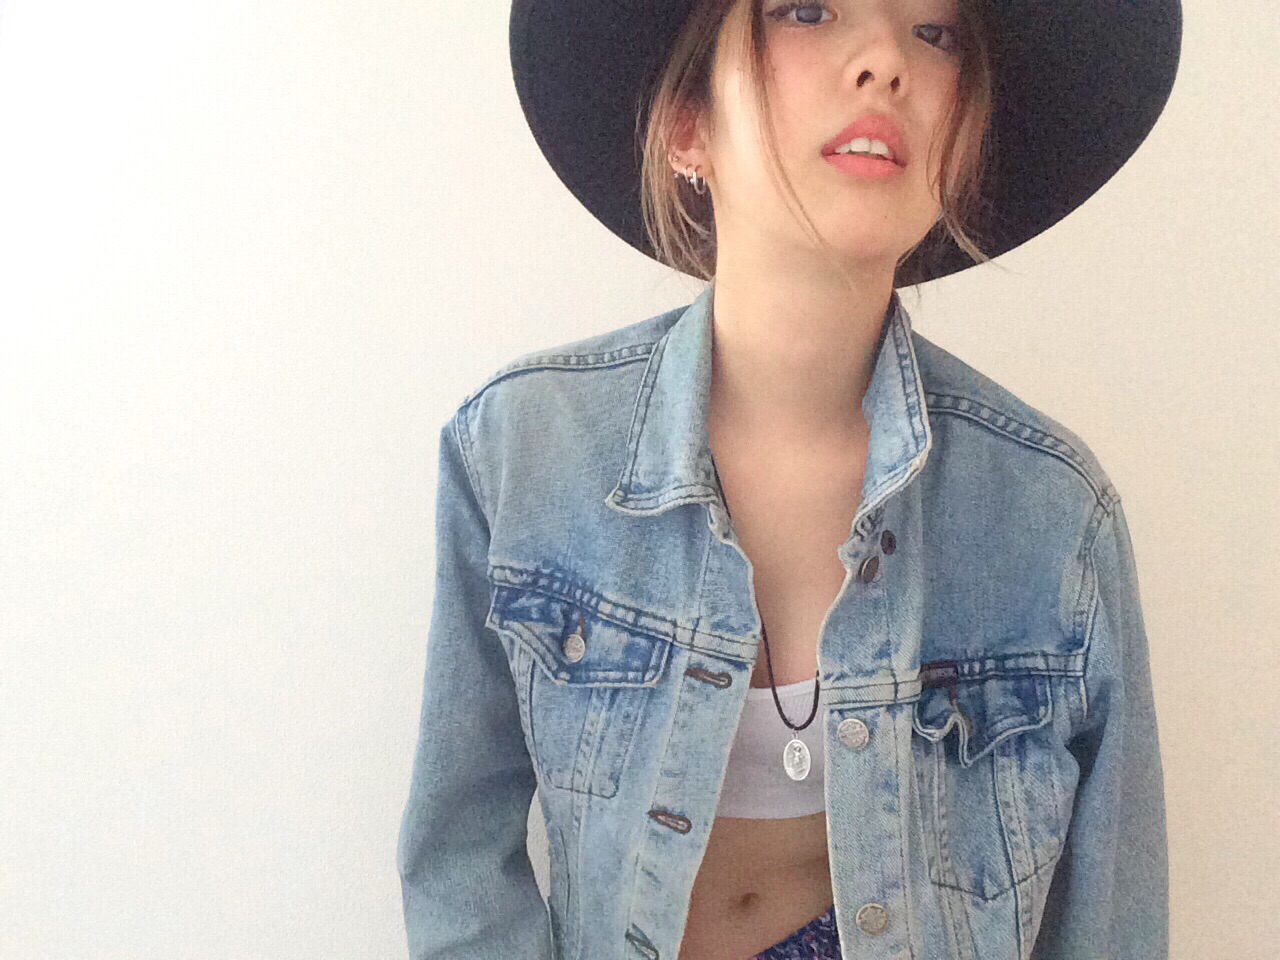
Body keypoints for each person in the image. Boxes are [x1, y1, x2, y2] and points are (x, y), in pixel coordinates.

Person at [397, 1, 1182, 958]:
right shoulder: (523, 454)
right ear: (687, 123)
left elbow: (1112, 923)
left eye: (935, 33)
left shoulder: (1054, 522)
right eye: (806, 10)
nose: (885, 60)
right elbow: (459, 860)